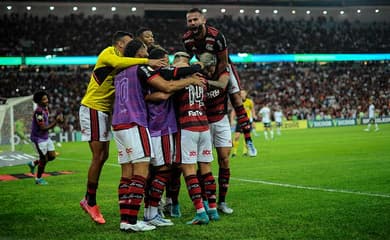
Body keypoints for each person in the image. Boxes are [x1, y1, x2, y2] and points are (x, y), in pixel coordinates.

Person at [114, 40, 206, 232]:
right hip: (148, 124)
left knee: (129, 174)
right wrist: (189, 80)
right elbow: (165, 89)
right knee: (154, 169)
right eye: (145, 52)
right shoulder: (141, 69)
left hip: (120, 123)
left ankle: (131, 217)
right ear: (139, 53)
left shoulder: (120, 72)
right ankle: (139, 218)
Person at [79, 31, 166, 224]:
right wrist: (146, 62)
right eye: (127, 44)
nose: (129, 47)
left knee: (105, 157)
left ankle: (93, 200)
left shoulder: (128, 63)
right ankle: (90, 200)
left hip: (108, 112)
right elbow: (119, 64)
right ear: (119, 44)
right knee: (99, 156)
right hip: (93, 107)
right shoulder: (108, 53)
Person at [183, 8, 257, 157]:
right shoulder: (186, 39)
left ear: (203, 20)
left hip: (222, 69)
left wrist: (215, 79)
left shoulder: (216, 36)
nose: (192, 23)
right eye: (189, 20)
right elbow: (187, 58)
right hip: (204, 69)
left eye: (195, 19)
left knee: (237, 100)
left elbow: (223, 62)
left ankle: (248, 140)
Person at [200, 52, 234, 214]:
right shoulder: (197, 73)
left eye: (210, 67)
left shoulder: (223, 71)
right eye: (205, 68)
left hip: (221, 120)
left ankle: (222, 202)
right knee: (204, 163)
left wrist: (204, 82)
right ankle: (206, 200)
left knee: (224, 160)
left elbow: (222, 85)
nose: (208, 70)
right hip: (203, 121)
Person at [27, 91, 63, 185]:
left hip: (46, 137)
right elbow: (42, 128)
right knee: (44, 159)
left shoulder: (45, 108)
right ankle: (38, 179)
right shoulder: (38, 112)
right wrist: (56, 121)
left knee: (52, 156)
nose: (47, 100)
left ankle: (33, 163)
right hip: (39, 138)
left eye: (46, 98)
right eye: (44, 99)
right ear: (39, 101)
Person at [231, 90, 256, 157]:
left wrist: (254, 121)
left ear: (246, 94)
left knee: (246, 137)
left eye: (243, 93)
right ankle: (234, 153)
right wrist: (232, 120)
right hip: (239, 121)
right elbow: (233, 111)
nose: (242, 94)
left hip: (247, 121)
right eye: (240, 93)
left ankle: (245, 152)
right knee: (236, 137)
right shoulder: (237, 102)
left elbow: (253, 111)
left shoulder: (250, 102)